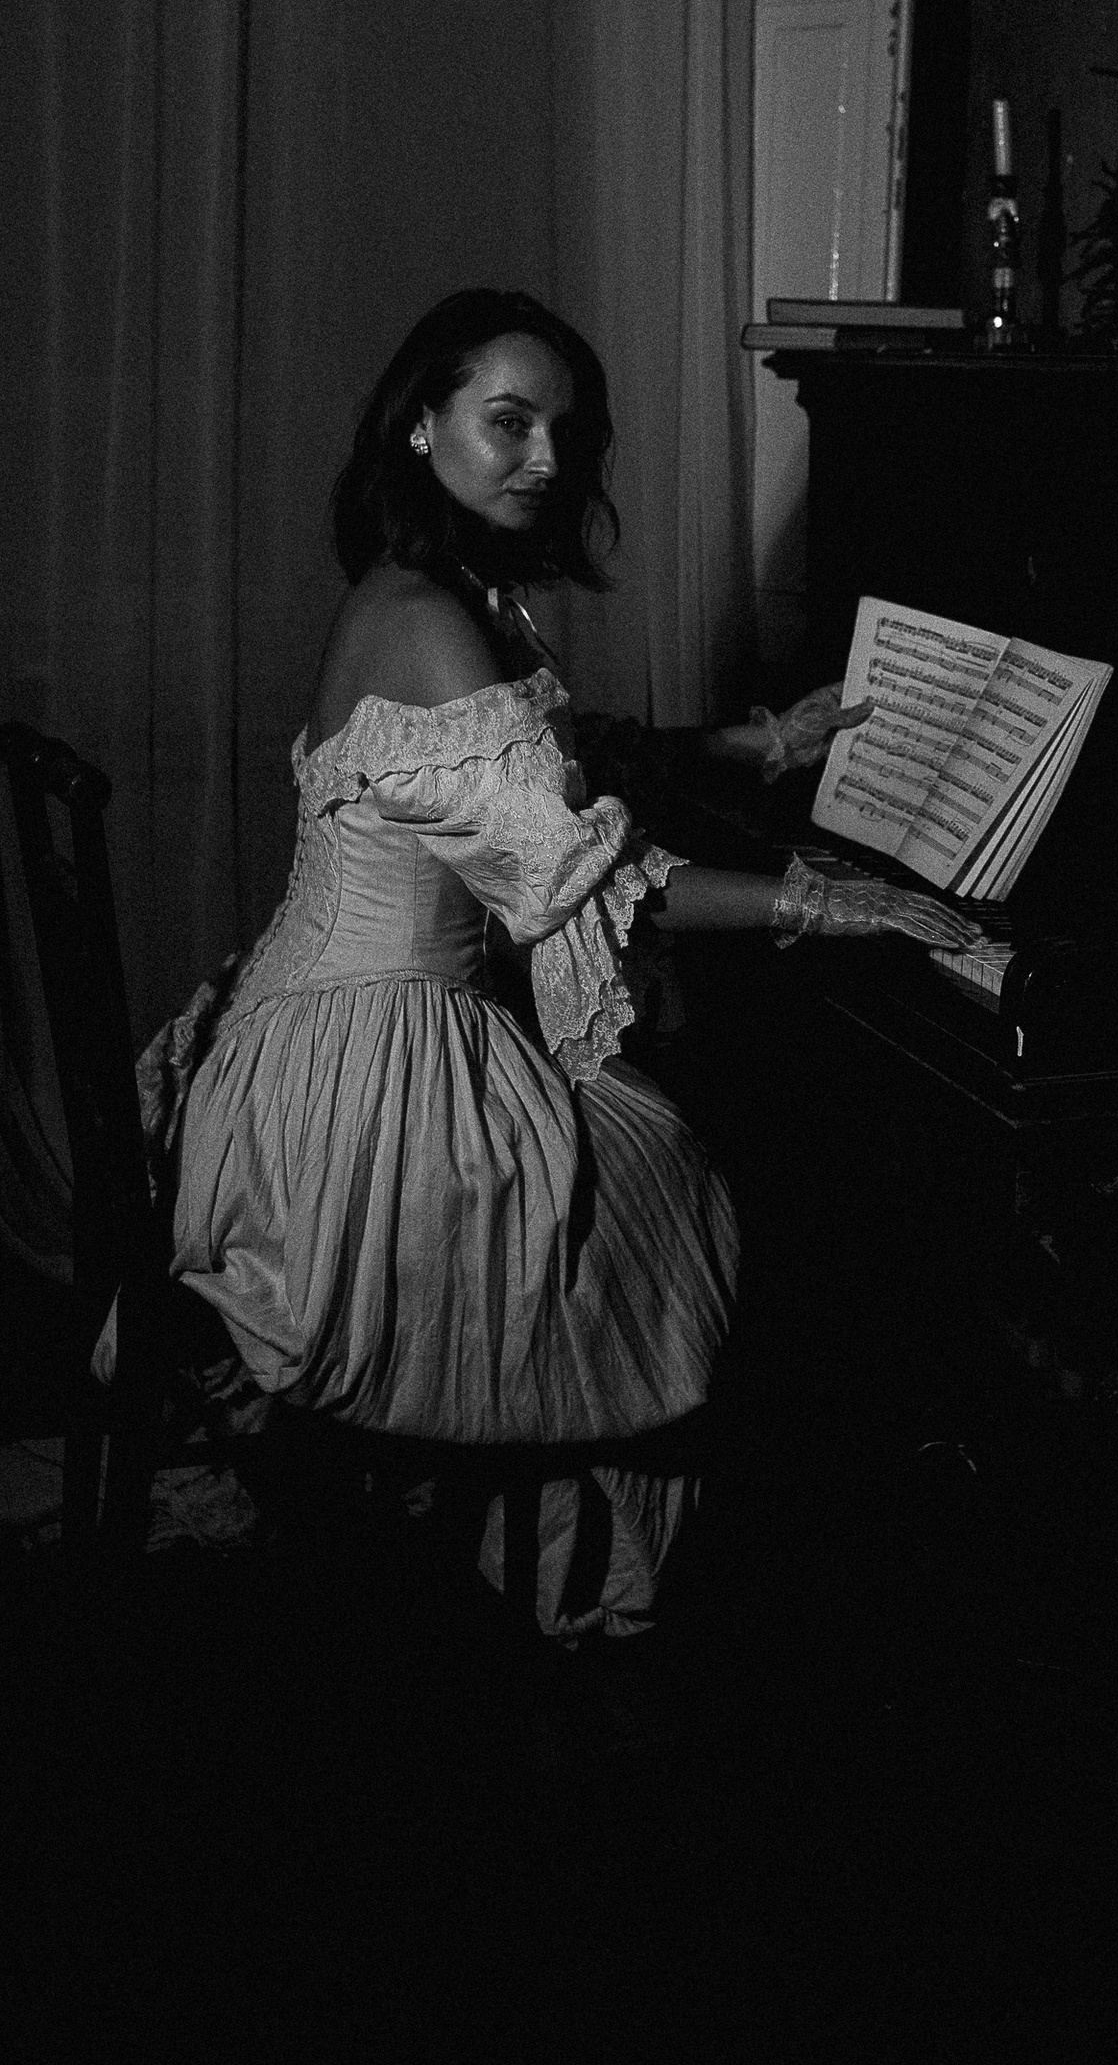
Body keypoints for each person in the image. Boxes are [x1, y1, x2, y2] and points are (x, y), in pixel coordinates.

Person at [151, 288, 977, 1638]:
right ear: (419, 426)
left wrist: (759, 745)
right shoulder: (425, 620)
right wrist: (824, 898)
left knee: (683, 1136)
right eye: (510, 422)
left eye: (565, 432)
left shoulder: (444, 594)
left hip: (329, 1023)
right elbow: (599, 884)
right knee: (674, 1175)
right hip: (351, 1089)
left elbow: (567, 759)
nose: (545, 458)